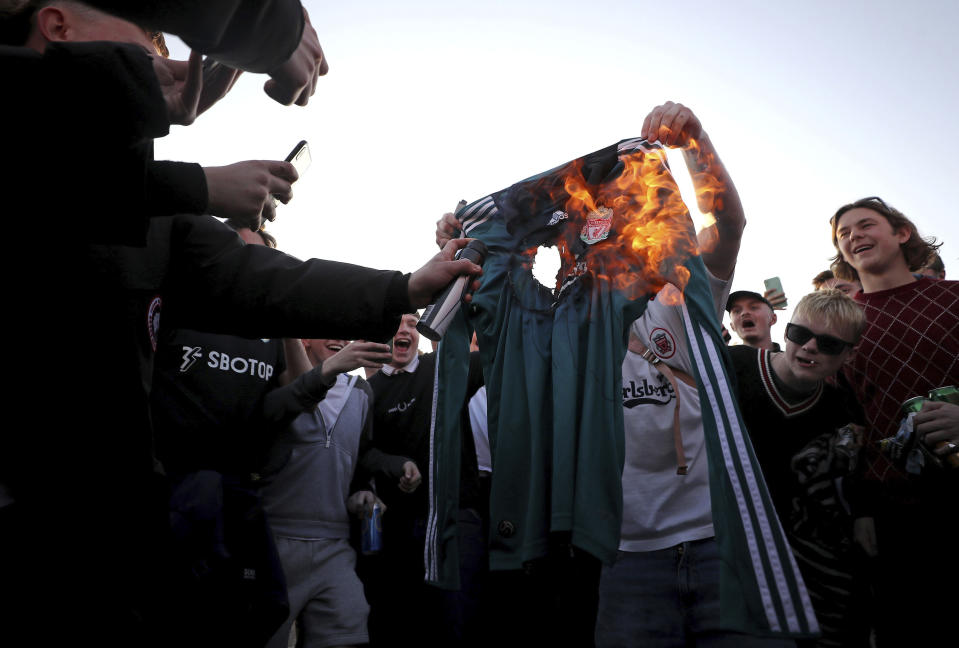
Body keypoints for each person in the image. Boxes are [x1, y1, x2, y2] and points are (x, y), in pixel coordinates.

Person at [595, 102, 808, 647]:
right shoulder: (574, 317)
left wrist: (695, 144)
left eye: (632, 211)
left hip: (721, 538)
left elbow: (728, 224)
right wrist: (465, 240)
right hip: (626, 552)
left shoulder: (686, 289)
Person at [829, 195, 958, 647]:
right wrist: (863, 508)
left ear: (902, 233)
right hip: (897, 515)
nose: (853, 236)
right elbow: (850, 423)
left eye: (865, 225)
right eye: (843, 234)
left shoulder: (954, 297)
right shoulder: (842, 331)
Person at [728, 290, 869, 648]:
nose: (809, 348)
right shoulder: (735, 365)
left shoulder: (841, 410)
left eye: (828, 344)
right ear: (786, 330)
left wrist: (863, 513)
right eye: (799, 335)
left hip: (800, 566)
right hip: (726, 549)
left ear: (849, 354)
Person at [258, 336, 411, 648]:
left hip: (335, 546)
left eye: (346, 330)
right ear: (304, 341)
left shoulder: (361, 392)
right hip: (275, 541)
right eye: (327, 328)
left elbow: (358, 459)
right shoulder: (275, 383)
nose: (339, 337)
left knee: (348, 629)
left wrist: (362, 496)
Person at [363, 312, 485, 647]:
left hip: (456, 520)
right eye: (395, 324)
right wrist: (396, 465)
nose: (404, 331)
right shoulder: (367, 392)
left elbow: (495, 353)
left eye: (412, 325)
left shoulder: (444, 368)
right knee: (407, 626)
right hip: (400, 529)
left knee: (460, 623)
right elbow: (363, 453)